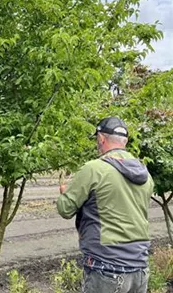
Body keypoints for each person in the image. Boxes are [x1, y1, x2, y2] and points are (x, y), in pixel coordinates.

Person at [57, 116, 154, 293]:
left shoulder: (94, 169)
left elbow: (65, 209)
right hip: (140, 268)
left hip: (106, 268)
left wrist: (65, 193)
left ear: (101, 138)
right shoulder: (145, 174)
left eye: (96, 139)